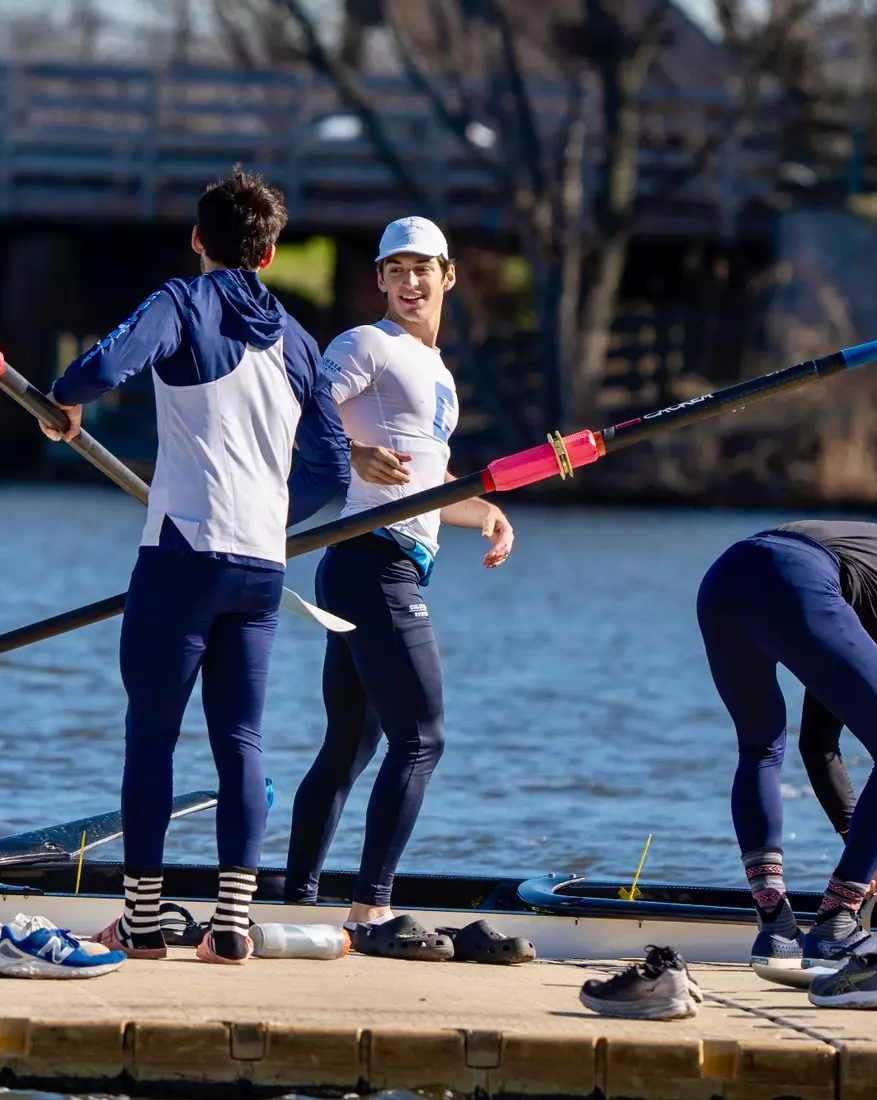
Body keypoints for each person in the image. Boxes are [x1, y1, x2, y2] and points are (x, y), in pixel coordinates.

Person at [36, 168, 351, 965]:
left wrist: (62, 396)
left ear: (196, 238)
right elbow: (334, 473)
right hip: (260, 569)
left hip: (181, 556)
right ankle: (233, 928)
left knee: (151, 739)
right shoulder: (302, 342)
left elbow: (103, 369)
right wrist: (270, 519)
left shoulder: (182, 302)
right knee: (241, 740)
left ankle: (142, 924)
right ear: (272, 254)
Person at [281, 216, 521, 961]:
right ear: (380, 281)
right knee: (423, 737)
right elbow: (294, 412)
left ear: (449, 276)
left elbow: (424, 482)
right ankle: (370, 910)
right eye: (396, 271)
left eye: (424, 270)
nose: (410, 283)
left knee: (351, 747)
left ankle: (298, 904)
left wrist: (483, 511)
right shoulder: (366, 345)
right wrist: (351, 449)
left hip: (381, 562)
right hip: (369, 561)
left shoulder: (437, 371)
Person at [695, 519, 877, 1001]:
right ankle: (836, 924)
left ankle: (775, 926)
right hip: (796, 576)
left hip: (726, 577)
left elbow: (819, 744)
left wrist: (863, 837)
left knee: (760, 747)